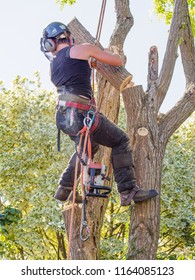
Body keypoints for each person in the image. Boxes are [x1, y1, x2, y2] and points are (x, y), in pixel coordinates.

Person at [40, 22, 158, 206]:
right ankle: (128, 191)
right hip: (80, 112)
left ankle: (64, 188)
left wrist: (88, 62)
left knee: (88, 147)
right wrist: (103, 53)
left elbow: (73, 73)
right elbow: (118, 61)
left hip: (64, 116)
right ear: (69, 37)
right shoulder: (82, 49)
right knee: (120, 140)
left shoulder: (53, 65)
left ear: (50, 44)